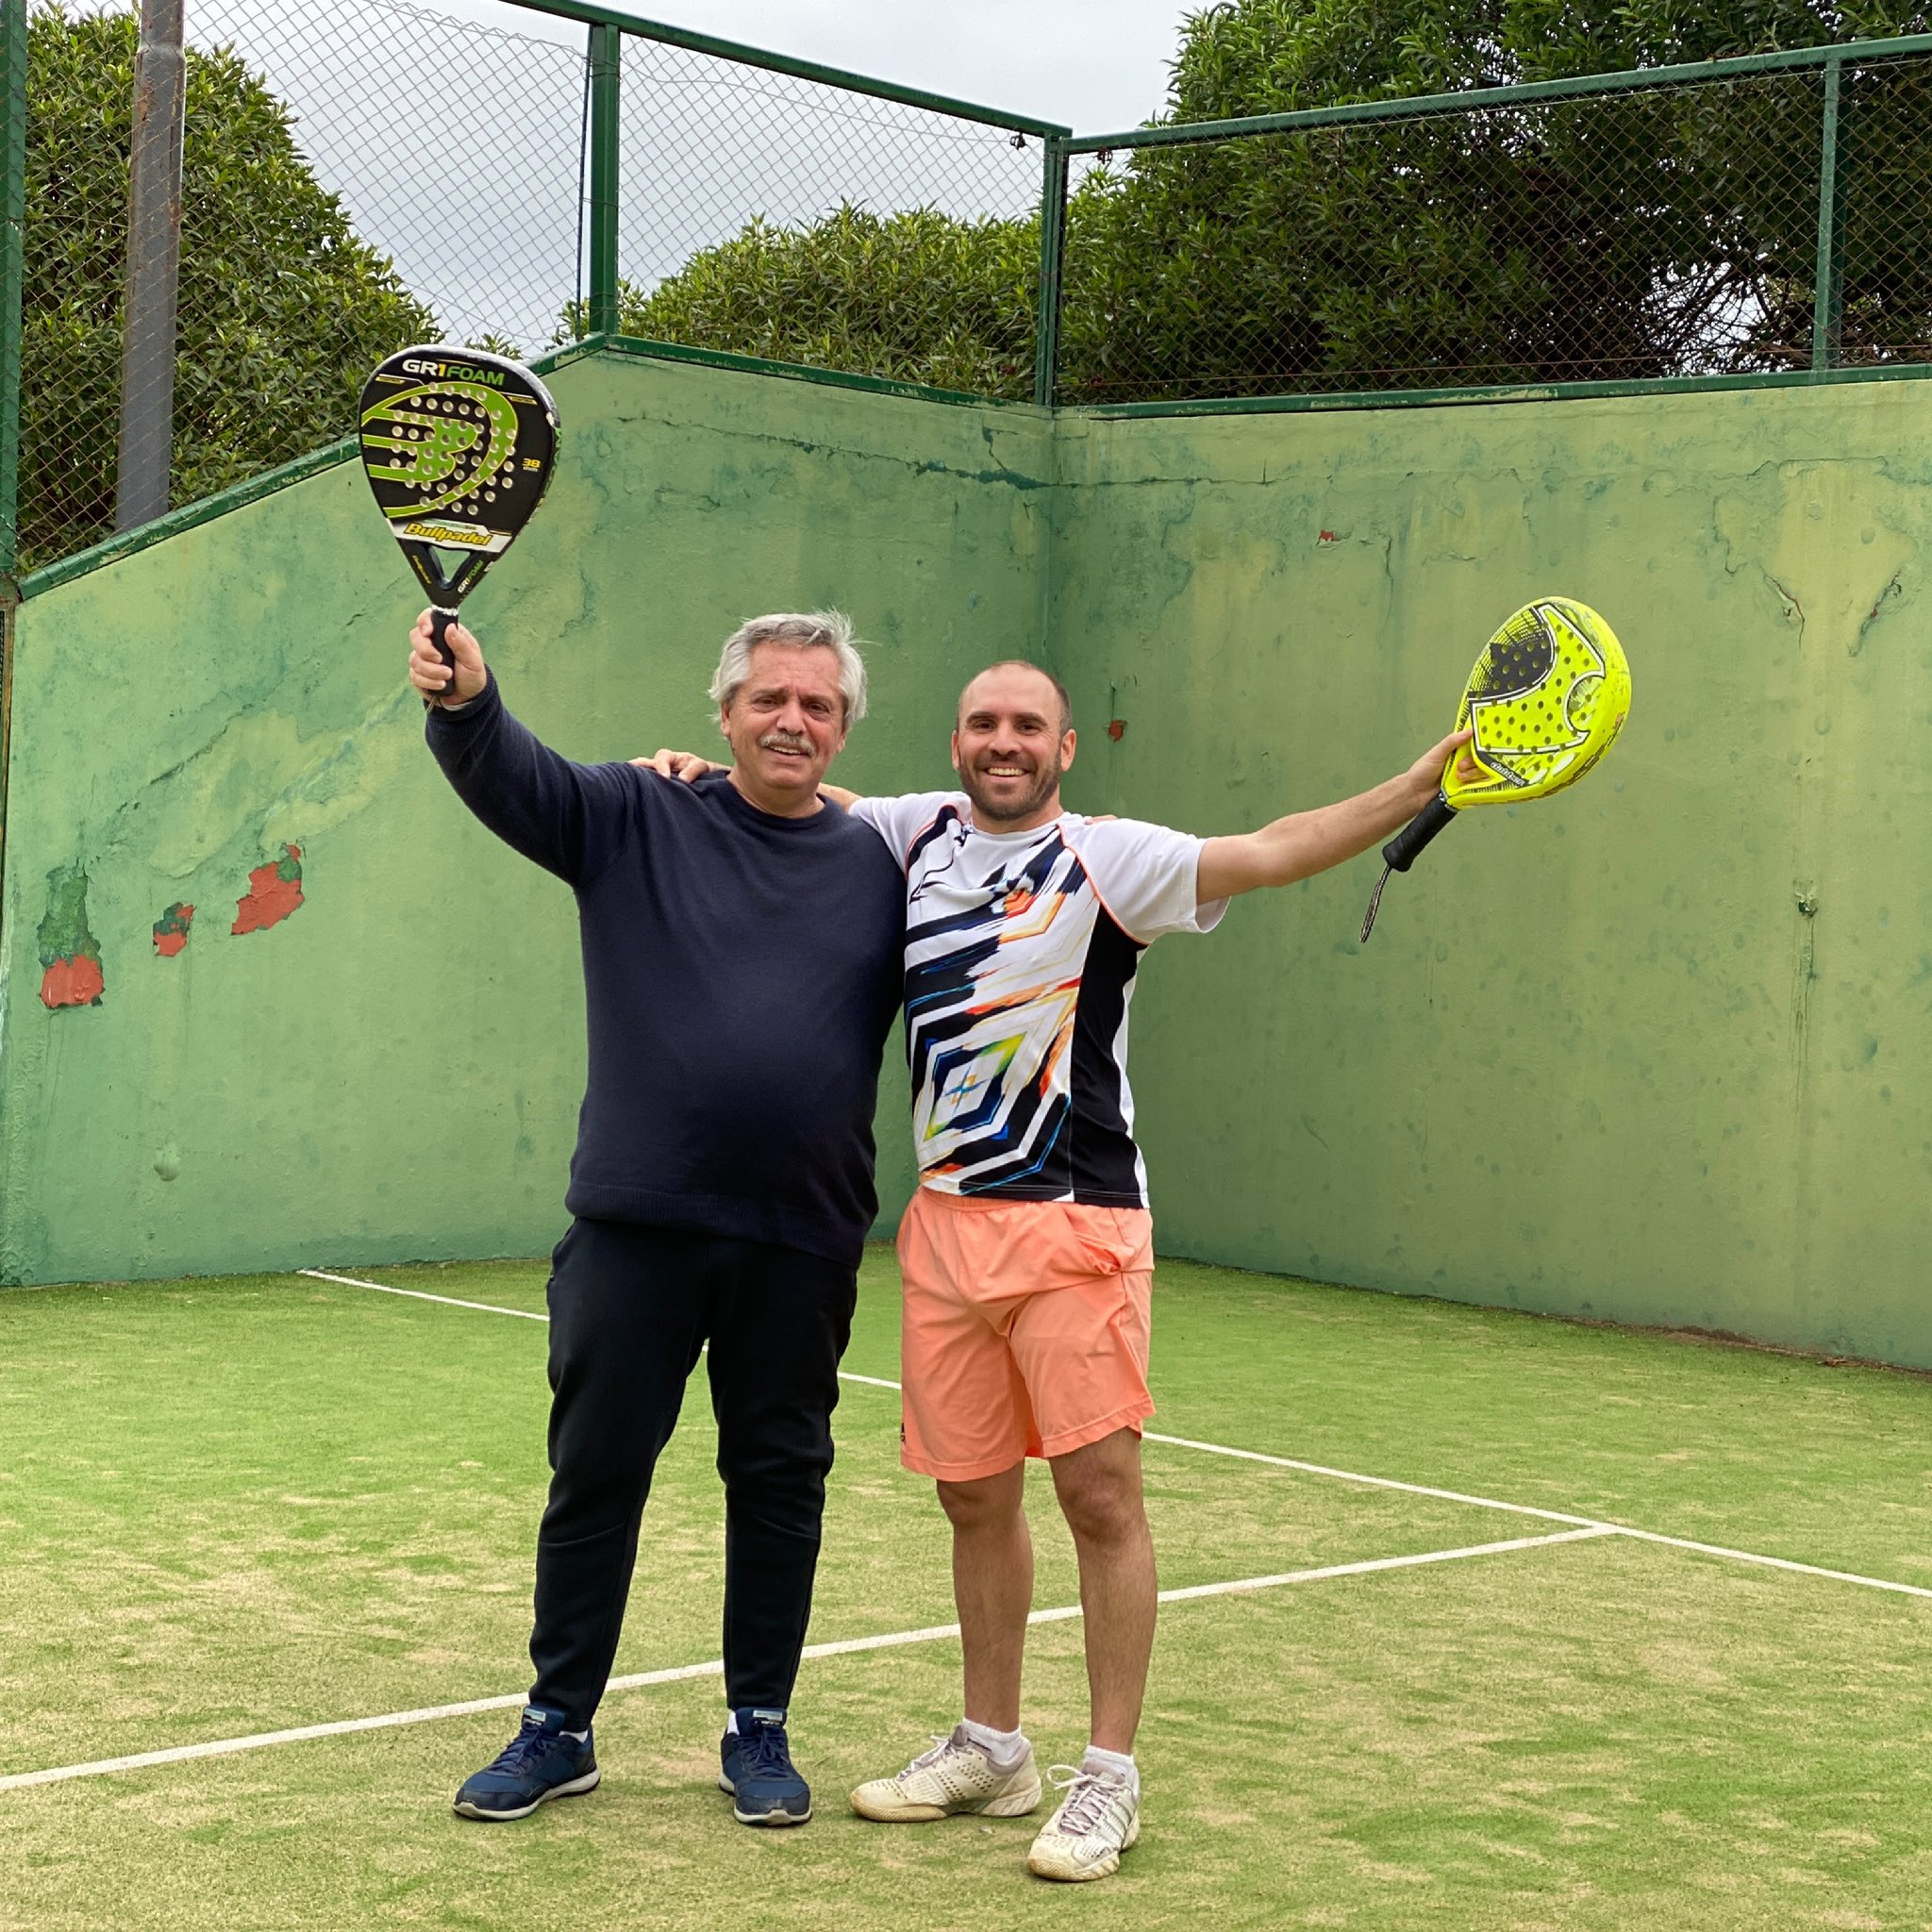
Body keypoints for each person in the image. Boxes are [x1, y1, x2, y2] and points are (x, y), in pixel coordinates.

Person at [641, 659, 1470, 1881]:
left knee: (1100, 1499)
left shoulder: (1111, 859)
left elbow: (1273, 851)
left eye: (1027, 725)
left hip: (1079, 1227)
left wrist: (1414, 786)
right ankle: (993, 1749)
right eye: (983, 723)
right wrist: (694, 776)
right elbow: (802, 795)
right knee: (973, 1498)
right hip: (947, 1231)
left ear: (1064, 747)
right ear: (957, 742)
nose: (1004, 742)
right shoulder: (910, 833)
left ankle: (1109, 1779)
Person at [409, 608, 905, 1829]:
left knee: (778, 1483)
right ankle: (558, 1728)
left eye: (819, 704)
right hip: (636, 1226)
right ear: (724, 713)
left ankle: (759, 1728)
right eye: (769, 698)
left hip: (802, 1237)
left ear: (844, 729)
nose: (792, 720)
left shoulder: (887, 864)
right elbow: (514, 777)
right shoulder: (638, 813)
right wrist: (466, 702)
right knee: (596, 1476)